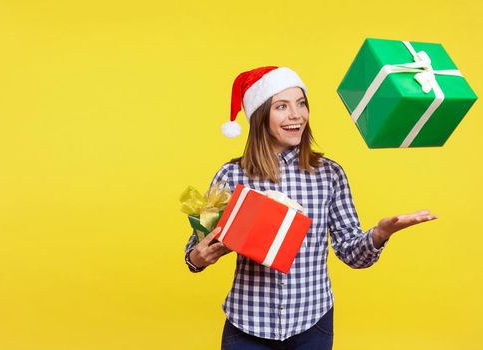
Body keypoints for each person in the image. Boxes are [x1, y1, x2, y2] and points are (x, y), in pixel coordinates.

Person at [184, 66, 437, 350]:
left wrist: (379, 234)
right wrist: (198, 257)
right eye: (282, 106)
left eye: (301, 103)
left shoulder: (329, 174)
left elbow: (352, 254)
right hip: (247, 325)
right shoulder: (230, 175)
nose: (297, 115)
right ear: (260, 117)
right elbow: (195, 249)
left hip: (312, 325)